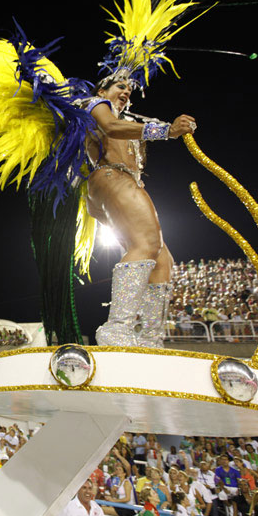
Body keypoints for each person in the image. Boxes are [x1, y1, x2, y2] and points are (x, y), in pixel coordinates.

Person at [82, 78, 195, 347]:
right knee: (146, 244)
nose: (126, 92)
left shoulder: (128, 120)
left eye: (129, 90)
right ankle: (117, 330)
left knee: (162, 259)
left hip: (125, 182)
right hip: (110, 176)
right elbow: (110, 127)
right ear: (102, 91)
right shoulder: (94, 104)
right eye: (120, 86)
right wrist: (167, 130)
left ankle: (149, 338)